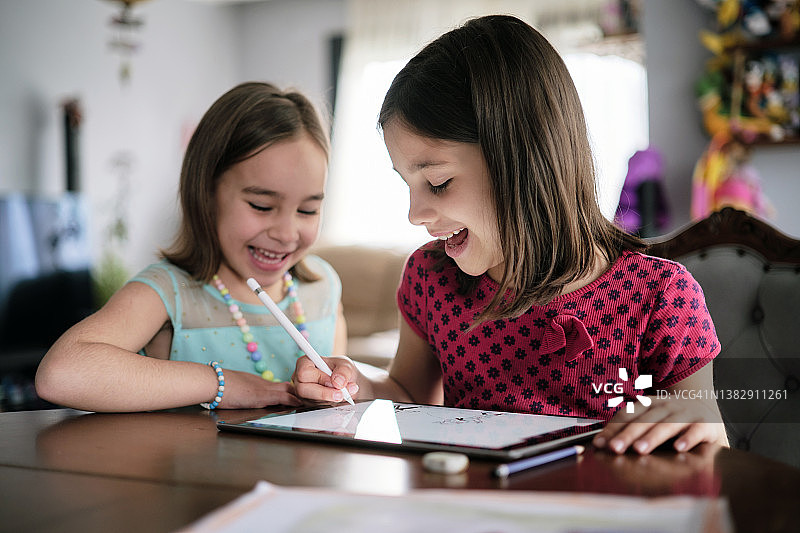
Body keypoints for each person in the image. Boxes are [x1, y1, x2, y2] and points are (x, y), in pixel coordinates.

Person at [293, 15, 729, 455]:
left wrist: (697, 424)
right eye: (408, 185)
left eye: (438, 182)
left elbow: (707, 440)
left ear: (522, 159)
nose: (415, 214)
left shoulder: (660, 296)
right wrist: (356, 380)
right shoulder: (430, 278)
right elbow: (408, 394)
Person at [36, 82, 354, 412]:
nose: (287, 233)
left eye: (308, 210)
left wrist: (342, 376)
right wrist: (220, 384)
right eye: (261, 205)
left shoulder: (323, 289)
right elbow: (59, 374)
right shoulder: (169, 292)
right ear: (206, 194)